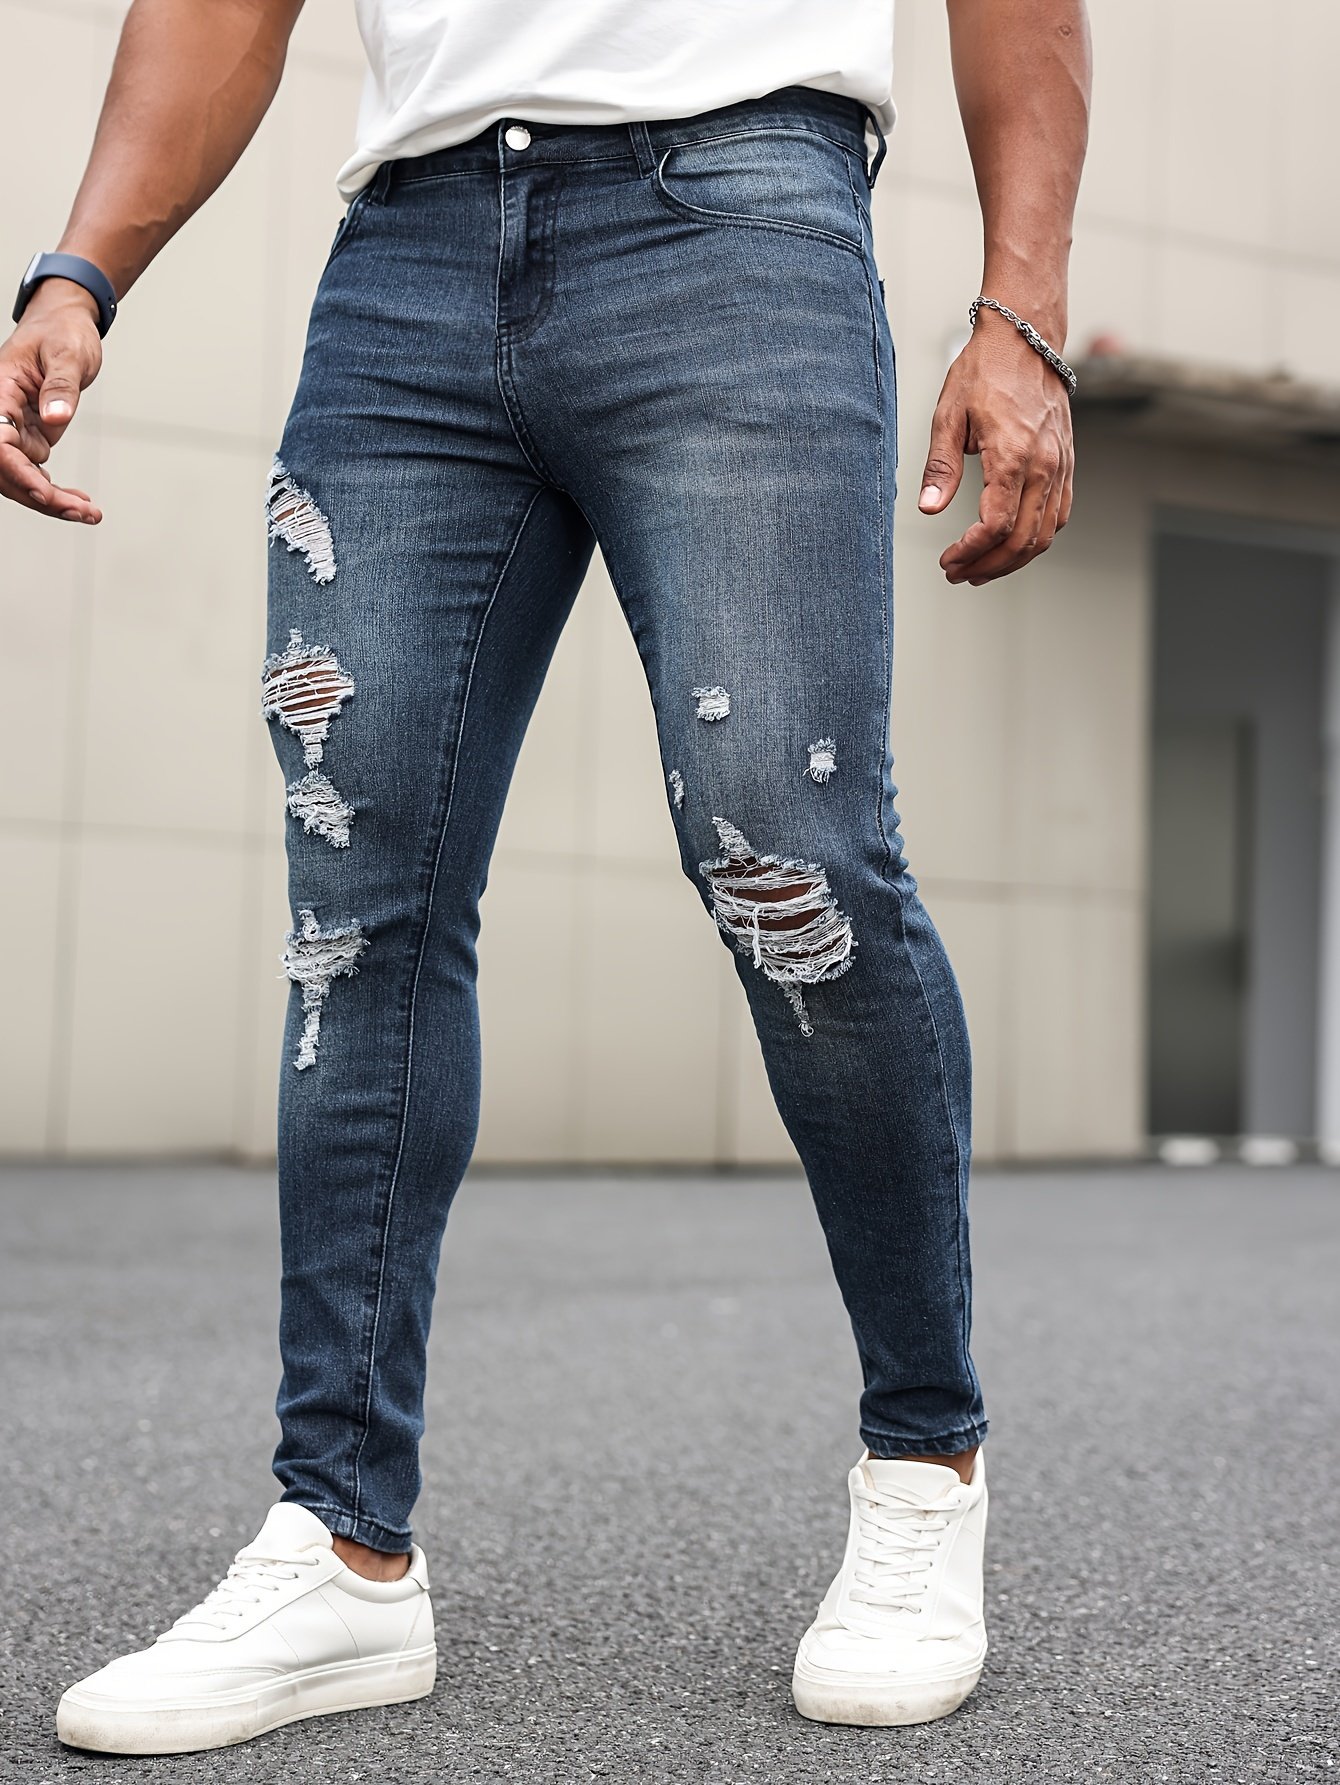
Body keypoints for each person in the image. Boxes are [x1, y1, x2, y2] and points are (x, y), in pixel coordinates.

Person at [1, 0, 1089, 1754]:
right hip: (410, 256)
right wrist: (78, 272)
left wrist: (1020, 306)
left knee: (785, 849)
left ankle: (923, 1462)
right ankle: (342, 1544)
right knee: (357, 907)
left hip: (739, 214)